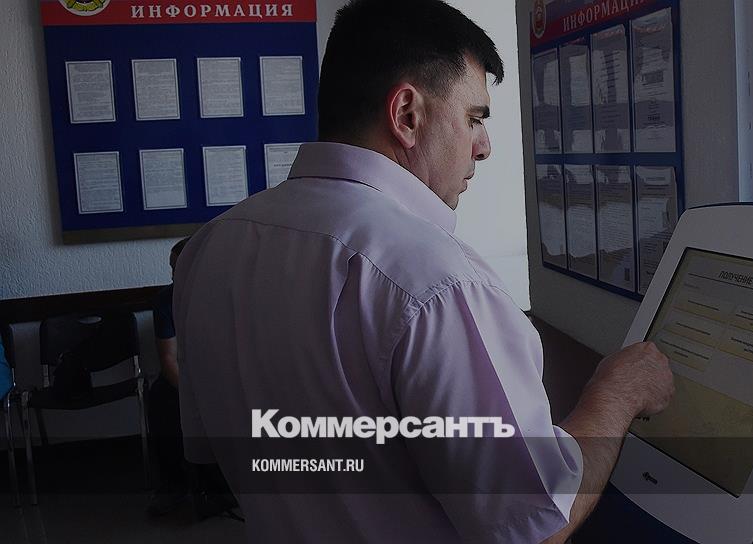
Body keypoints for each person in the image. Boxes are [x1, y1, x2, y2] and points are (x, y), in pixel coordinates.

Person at [173, 0, 675, 542]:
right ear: (407, 115)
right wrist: (616, 394)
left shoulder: (212, 246)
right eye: (474, 118)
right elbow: (535, 527)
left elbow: (213, 446)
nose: (484, 147)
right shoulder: (436, 283)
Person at [146, 237, 190, 515]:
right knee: (161, 397)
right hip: (186, 374)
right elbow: (168, 360)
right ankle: (173, 485)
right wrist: (191, 396)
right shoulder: (165, 301)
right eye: (171, 268)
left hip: (219, 371)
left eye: (178, 268)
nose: (173, 276)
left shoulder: (225, 294)